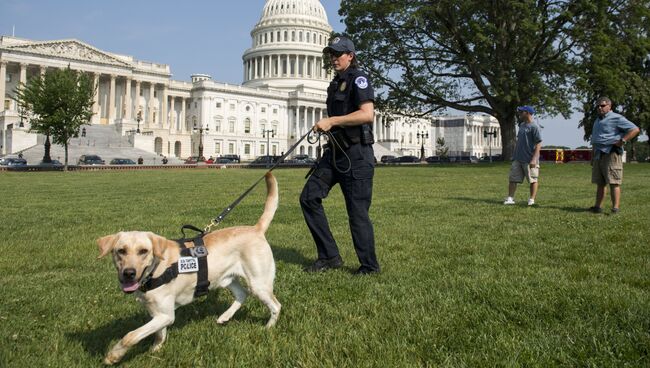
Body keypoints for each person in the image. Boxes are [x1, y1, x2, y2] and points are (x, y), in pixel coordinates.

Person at [300, 36, 380, 275]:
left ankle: (369, 267)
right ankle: (329, 256)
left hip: (357, 156)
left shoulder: (359, 79)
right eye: (331, 54)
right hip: (334, 154)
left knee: (357, 214)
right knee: (309, 197)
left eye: (338, 54)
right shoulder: (335, 84)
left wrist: (332, 120)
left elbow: (367, 114)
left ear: (350, 56)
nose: (333, 58)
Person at [589, 97, 640, 214]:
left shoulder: (616, 118)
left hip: (611, 153)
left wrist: (623, 140)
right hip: (598, 154)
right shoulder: (597, 120)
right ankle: (597, 207)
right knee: (600, 183)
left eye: (602, 105)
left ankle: (615, 208)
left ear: (609, 106)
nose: (599, 108)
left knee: (614, 182)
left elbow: (635, 129)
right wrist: (592, 156)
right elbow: (595, 139)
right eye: (598, 106)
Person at [504, 105, 542, 206]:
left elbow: (538, 143)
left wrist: (534, 159)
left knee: (533, 180)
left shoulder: (534, 127)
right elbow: (519, 141)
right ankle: (510, 198)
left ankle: (531, 200)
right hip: (517, 158)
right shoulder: (521, 125)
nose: (519, 113)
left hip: (529, 159)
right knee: (512, 179)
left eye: (521, 112)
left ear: (528, 113)